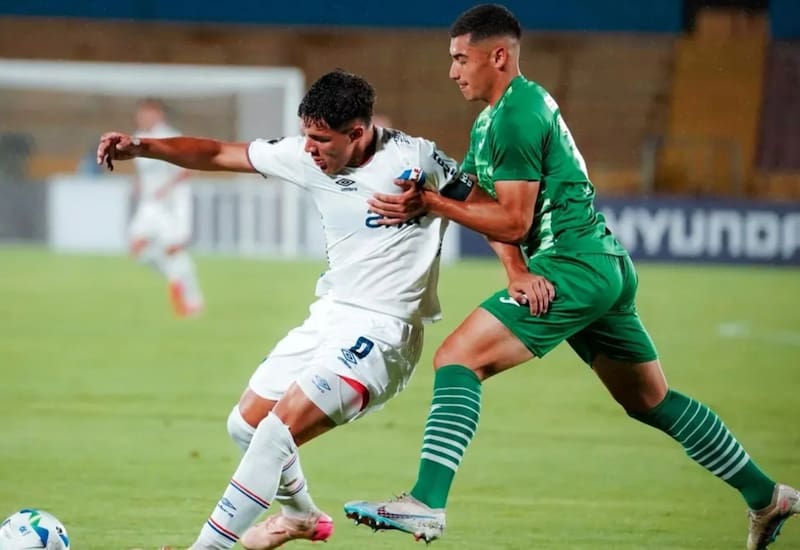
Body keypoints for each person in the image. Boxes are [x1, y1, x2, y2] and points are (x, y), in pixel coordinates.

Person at [343, 5, 799, 550]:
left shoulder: (515, 117)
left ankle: (426, 502)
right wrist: (512, 266)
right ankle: (766, 496)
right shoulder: (495, 118)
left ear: (498, 56)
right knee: (650, 401)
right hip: (599, 263)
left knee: (458, 358)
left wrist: (434, 204)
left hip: (572, 265)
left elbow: (513, 220)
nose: (453, 71)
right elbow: (482, 203)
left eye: (461, 59)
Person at [100, 70, 475, 550]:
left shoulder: (417, 159)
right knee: (246, 425)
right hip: (331, 314)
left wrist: (437, 206)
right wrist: (141, 147)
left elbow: (489, 207)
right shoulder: (306, 155)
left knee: (275, 434)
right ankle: (300, 516)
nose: (310, 150)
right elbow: (217, 153)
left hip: (384, 331)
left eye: (322, 141)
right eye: (306, 137)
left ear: (356, 133)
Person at [126, 98, 204, 317]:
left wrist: (166, 188)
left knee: (173, 249)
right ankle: (175, 280)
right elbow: (146, 172)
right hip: (150, 204)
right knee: (138, 249)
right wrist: (138, 184)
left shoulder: (171, 137)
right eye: (141, 114)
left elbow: (187, 169)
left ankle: (193, 301)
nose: (143, 118)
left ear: (159, 115)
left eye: (148, 114)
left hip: (173, 202)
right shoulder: (137, 137)